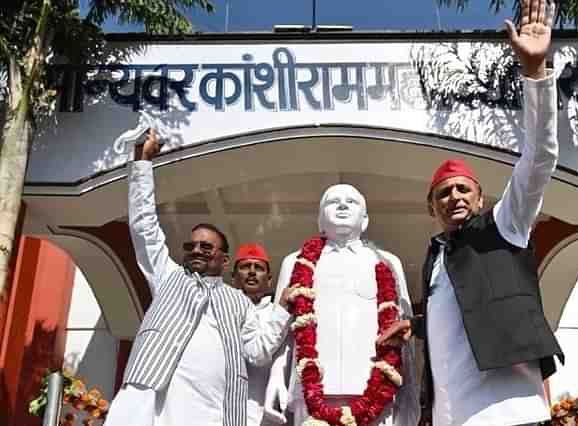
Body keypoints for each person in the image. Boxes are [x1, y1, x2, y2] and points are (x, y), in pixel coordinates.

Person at [377, 1, 564, 425]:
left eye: (464, 189)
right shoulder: (437, 258)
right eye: (444, 193)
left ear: (480, 199)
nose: (455, 197)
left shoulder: (504, 225)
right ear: (432, 207)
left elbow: (539, 158)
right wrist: (414, 327)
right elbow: (460, 313)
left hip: (511, 412)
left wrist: (535, 74)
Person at [104, 130, 292, 426]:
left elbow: (258, 352)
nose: (197, 251)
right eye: (191, 246)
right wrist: (143, 165)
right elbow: (144, 226)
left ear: (224, 259)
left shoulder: (238, 301)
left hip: (215, 408)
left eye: (207, 247)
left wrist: (282, 309)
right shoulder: (168, 276)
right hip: (156, 396)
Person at [264, 184, 419, 426]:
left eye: (352, 201)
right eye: (333, 201)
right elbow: (286, 329)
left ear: (365, 220)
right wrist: (276, 376)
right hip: (311, 394)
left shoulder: (388, 263)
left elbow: (403, 336)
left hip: (375, 393)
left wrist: (409, 395)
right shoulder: (294, 262)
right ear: (319, 220)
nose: (343, 205)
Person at [232, 243, 279, 426]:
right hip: (223, 407)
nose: (252, 272)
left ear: (269, 279)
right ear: (234, 278)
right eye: (245, 266)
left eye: (258, 268)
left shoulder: (280, 313)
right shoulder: (218, 310)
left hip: (268, 411)